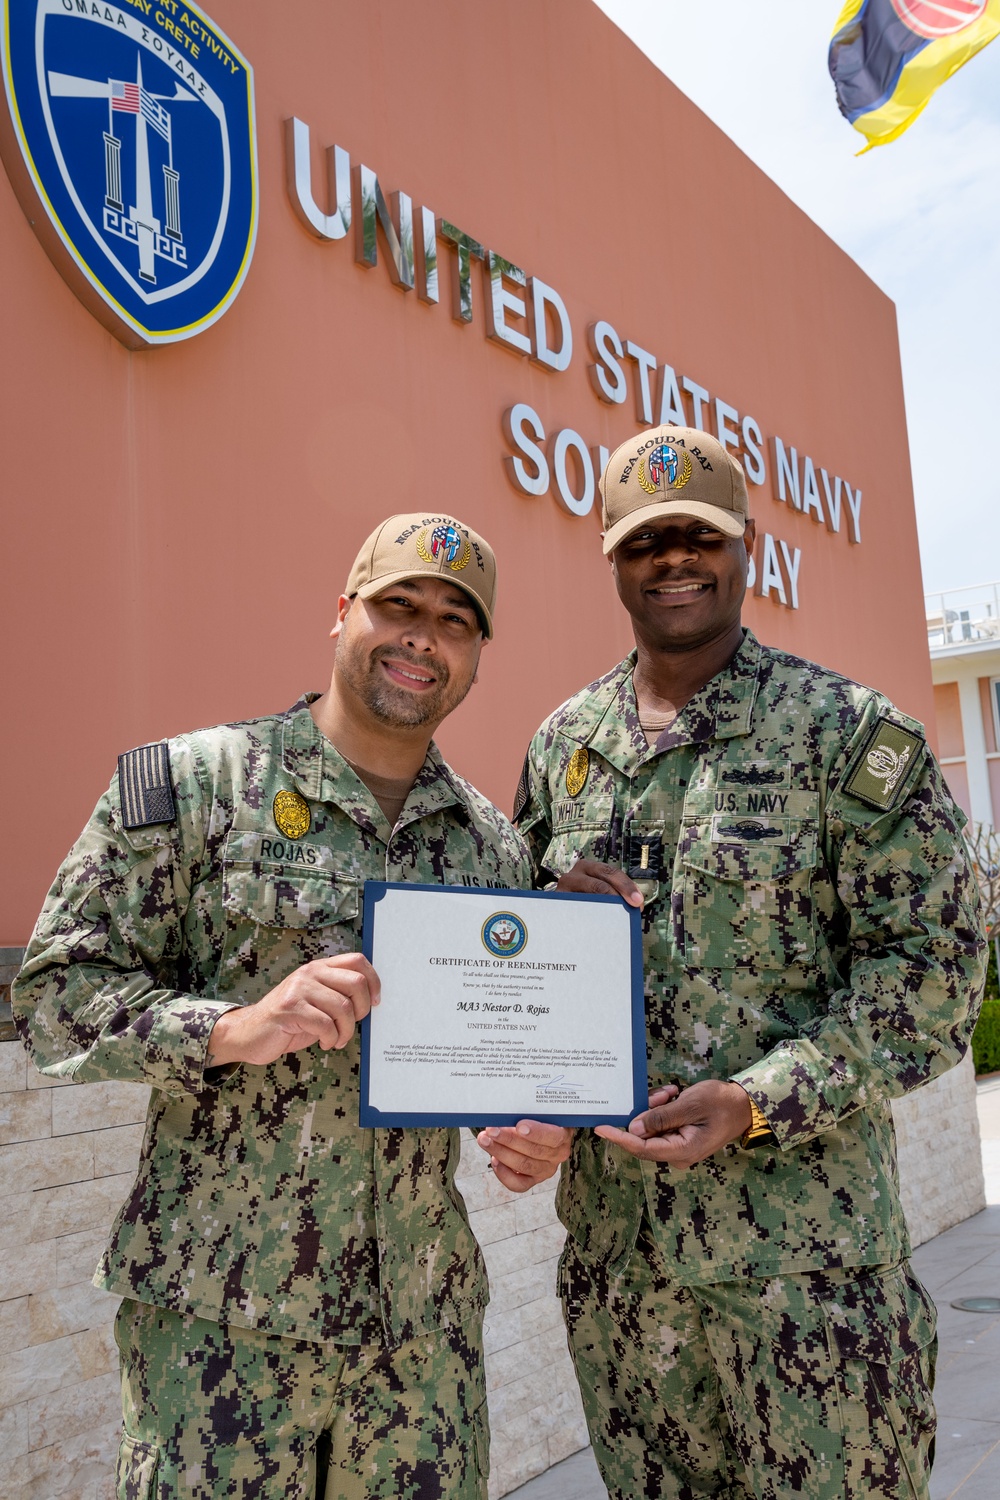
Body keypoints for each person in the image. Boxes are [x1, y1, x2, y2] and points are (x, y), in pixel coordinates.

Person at [13, 512, 569, 1500]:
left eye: (454, 620)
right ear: (342, 612)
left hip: (417, 1346)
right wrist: (233, 1028)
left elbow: (483, 1046)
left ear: (475, 656)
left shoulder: (492, 849)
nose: (421, 636)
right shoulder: (193, 786)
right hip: (220, 1333)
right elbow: (56, 995)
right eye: (398, 604)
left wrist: (526, 1125)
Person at [512, 426, 986, 1500]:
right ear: (610, 559)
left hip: (806, 1275)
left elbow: (932, 980)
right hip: (625, 1276)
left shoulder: (848, 735)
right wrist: (521, 1094)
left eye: (697, 536)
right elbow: (530, 959)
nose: (673, 560)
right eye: (646, 542)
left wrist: (757, 1099)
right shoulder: (562, 746)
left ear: (746, 548)